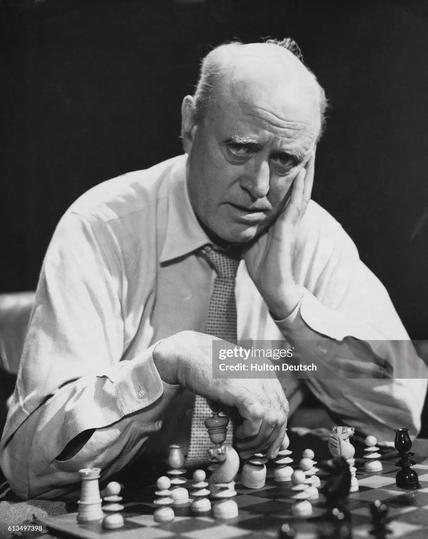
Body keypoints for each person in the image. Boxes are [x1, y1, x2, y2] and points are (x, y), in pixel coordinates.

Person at [0, 38, 426, 500]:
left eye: (285, 160)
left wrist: (288, 303)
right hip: (116, 503)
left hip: (245, 507)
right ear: (190, 124)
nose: (259, 188)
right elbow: (28, 471)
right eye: (241, 148)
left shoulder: (309, 235)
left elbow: (402, 414)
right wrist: (168, 364)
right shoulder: (102, 228)